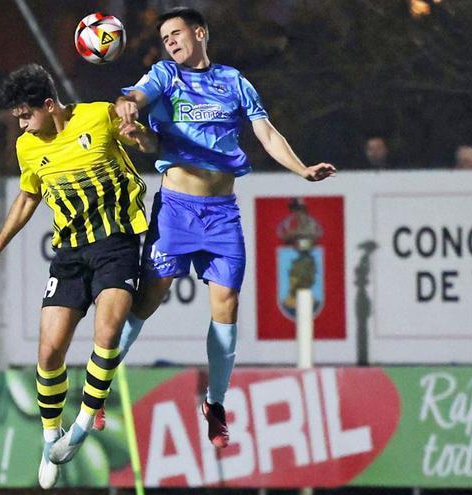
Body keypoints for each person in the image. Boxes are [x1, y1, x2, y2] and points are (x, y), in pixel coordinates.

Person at [114, 7, 336, 449]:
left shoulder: (234, 82)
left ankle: (215, 402)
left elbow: (267, 132)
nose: (171, 42)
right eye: (165, 37)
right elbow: (135, 98)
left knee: (227, 304)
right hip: (175, 211)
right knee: (148, 298)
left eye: (176, 34)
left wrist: (302, 170)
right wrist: (127, 108)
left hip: (221, 213)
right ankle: (97, 385)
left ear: (200, 33)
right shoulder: (163, 75)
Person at [0, 64, 156, 489]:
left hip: (118, 243)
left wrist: (136, 127)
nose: (21, 125)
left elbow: (139, 131)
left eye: (25, 115)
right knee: (48, 352)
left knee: (107, 334)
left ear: (49, 105)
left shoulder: (96, 116)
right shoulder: (28, 147)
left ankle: (85, 423)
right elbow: (28, 195)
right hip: (70, 254)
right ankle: (50, 436)